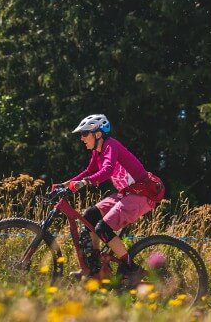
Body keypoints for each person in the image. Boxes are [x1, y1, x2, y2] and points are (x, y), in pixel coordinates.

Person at [57, 114, 164, 287]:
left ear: (98, 134)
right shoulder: (97, 151)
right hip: (127, 194)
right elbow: (89, 171)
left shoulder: (110, 145)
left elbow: (107, 170)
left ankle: (131, 267)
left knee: (103, 228)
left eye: (85, 133)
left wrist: (84, 183)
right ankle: (96, 268)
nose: (81, 138)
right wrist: (66, 184)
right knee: (90, 215)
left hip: (142, 194)